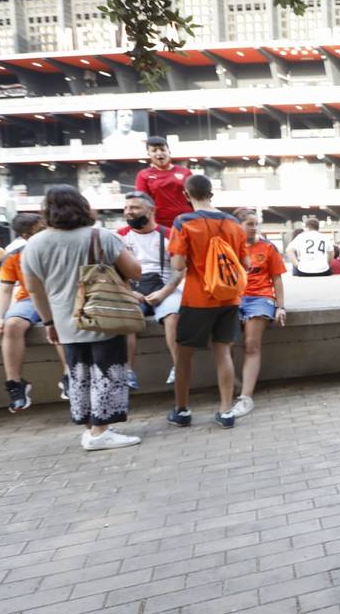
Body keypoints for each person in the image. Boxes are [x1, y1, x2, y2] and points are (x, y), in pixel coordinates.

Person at [21, 185, 142, 450]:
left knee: (80, 375)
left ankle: (90, 429)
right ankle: (101, 432)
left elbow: (33, 289)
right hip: (102, 315)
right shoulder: (100, 237)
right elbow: (135, 271)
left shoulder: (34, 244)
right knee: (108, 372)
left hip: (65, 320)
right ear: (82, 206)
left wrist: (49, 322)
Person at [166, 174, 248, 429]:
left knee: (184, 355)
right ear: (211, 193)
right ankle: (225, 411)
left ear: (186, 195)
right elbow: (245, 264)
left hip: (197, 298)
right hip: (230, 298)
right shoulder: (234, 223)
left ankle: (182, 410)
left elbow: (178, 264)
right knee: (223, 352)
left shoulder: (183, 222)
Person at [0, 213, 69, 412]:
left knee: (60, 321)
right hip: (28, 298)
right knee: (12, 325)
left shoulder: (59, 247)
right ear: (26, 235)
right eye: (41, 228)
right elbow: (6, 289)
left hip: (57, 297)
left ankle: (70, 375)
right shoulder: (14, 254)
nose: (47, 230)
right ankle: (15, 384)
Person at [118, 191, 184, 390]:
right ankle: (128, 371)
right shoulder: (119, 236)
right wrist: (128, 292)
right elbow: (113, 271)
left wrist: (164, 293)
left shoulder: (169, 234)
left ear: (151, 210)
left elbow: (179, 269)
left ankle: (178, 367)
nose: (129, 212)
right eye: (126, 208)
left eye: (134, 208)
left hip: (165, 288)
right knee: (127, 318)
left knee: (172, 315)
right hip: (133, 289)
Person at [232, 208, 288, 418]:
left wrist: (280, 306)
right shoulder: (228, 247)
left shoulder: (268, 247)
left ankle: (246, 397)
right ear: (238, 226)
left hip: (260, 298)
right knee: (224, 343)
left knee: (251, 344)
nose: (254, 228)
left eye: (256, 224)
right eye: (249, 224)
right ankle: (233, 385)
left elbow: (277, 279)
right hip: (234, 298)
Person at [134, 136, 193, 231]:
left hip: (187, 222)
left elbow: (195, 199)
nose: (159, 153)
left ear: (169, 151)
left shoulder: (186, 172)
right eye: (154, 150)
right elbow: (142, 202)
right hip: (160, 225)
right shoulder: (143, 175)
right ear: (148, 154)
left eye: (162, 149)